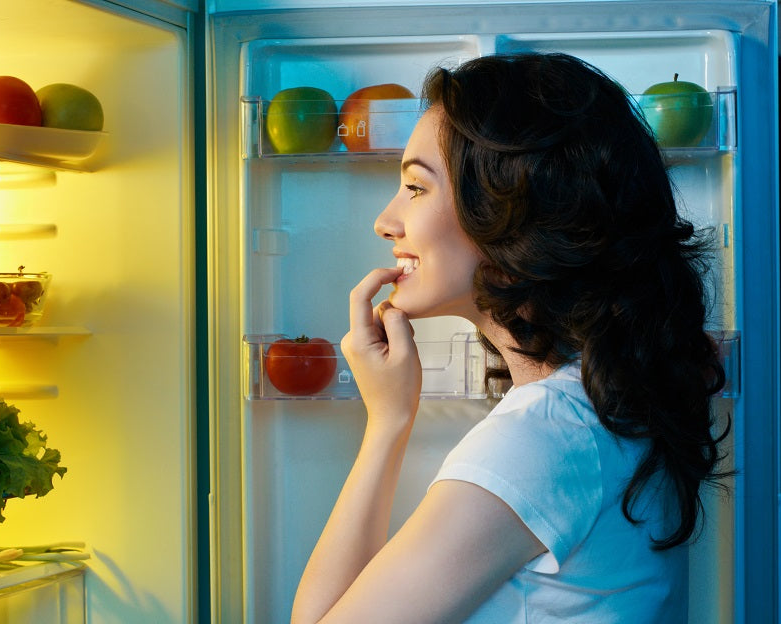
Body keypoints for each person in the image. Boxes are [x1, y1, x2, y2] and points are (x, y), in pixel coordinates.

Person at [290, 52, 730, 623]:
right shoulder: (600, 405)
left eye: (415, 188)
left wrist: (386, 425)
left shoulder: (540, 439)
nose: (386, 220)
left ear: (507, 215)